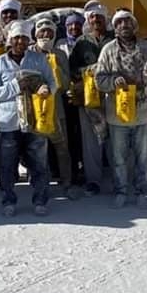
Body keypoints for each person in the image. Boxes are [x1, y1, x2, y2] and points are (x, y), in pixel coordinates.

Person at [0, 20, 56, 216]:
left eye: (24, 38)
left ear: (29, 40)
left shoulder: (39, 60)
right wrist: (15, 87)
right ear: (10, 40)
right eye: (16, 38)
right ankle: (8, 200)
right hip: (8, 123)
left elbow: (53, 82)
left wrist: (46, 89)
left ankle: (40, 199)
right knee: (7, 164)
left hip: (35, 121)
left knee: (39, 163)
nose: (20, 42)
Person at [95, 10, 147, 208]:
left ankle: (141, 191)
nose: (124, 25)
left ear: (134, 25)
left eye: (127, 21)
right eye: (119, 22)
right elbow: (99, 79)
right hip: (118, 113)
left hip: (143, 111)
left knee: (142, 156)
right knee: (118, 157)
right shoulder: (107, 50)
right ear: (114, 26)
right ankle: (121, 190)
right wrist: (114, 81)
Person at [33, 17, 82, 199]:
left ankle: (67, 182)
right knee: (38, 149)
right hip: (36, 110)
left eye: (49, 32)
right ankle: (41, 184)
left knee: (62, 148)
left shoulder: (60, 54)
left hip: (57, 108)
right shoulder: (30, 52)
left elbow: (66, 83)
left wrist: (57, 68)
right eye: (42, 31)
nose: (46, 35)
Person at [68, 2, 114, 196]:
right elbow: (72, 70)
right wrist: (89, 70)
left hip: (113, 98)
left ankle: (119, 179)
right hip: (88, 98)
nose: (96, 20)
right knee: (91, 141)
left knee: (115, 139)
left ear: (105, 19)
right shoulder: (81, 43)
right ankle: (93, 180)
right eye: (92, 17)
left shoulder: (115, 40)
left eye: (99, 17)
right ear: (88, 20)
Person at [59, 13, 86, 187]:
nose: (74, 28)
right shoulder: (59, 44)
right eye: (70, 25)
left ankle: (82, 168)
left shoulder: (86, 43)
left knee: (82, 135)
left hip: (83, 94)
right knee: (67, 134)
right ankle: (69, 171)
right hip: (63, 97)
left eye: (77, 24)